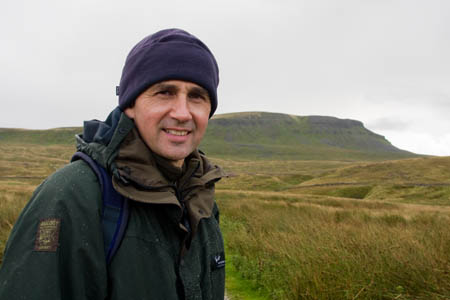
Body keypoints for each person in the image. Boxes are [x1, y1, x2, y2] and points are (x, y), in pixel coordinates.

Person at [0, 28, 226, 300]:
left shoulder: (201, 199)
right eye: (165, 92)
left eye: (197, 96)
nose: (181, 112)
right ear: (130, 104)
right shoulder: (72, 197)